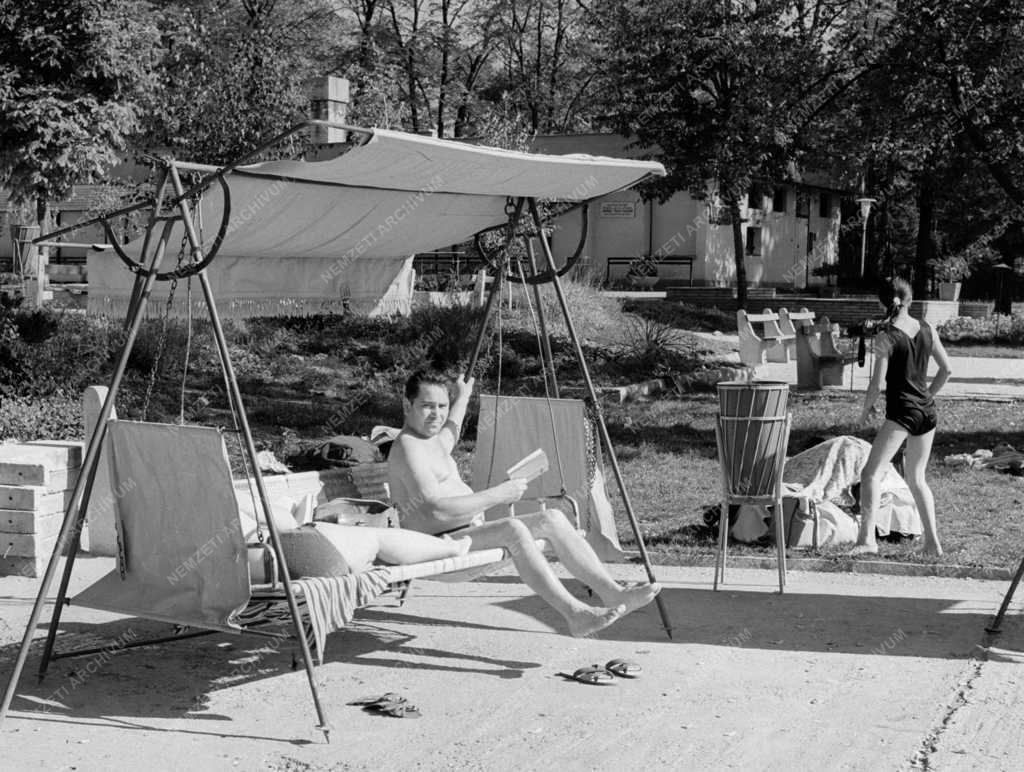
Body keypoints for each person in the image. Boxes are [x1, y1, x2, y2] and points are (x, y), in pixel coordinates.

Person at [388, 370, 661, 637]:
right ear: (407, 405)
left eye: (441, 406)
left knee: (552, 518)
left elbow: (452, 429)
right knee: (513, 529)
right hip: (436, 544)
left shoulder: (433, 440)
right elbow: (436, 509)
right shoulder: (410, 446)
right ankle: (575, 615)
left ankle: (613, 594)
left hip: (462, 534)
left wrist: (463, 396)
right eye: (426, 406)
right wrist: (500, 494)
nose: (436, 414)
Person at [852, 278, 952, 556]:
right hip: (927, 413)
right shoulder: (927, 328)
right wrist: (927, 396)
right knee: (917, 477)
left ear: (883, 304)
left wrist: (864, 412)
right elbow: (947, 370)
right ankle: (932, 544)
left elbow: (876, 384)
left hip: (902, 413)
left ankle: (866, 542)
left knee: (871, 472)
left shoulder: (885, 337)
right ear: (909, 300)